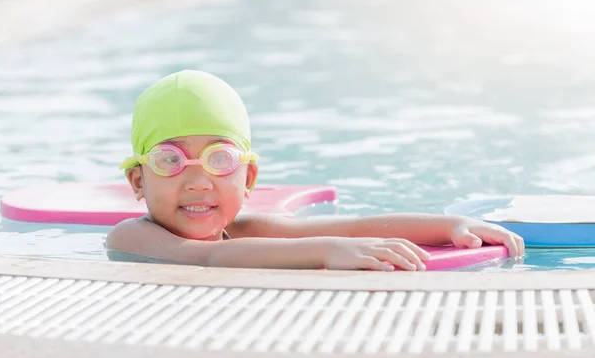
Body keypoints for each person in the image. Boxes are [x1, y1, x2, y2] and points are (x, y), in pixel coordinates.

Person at [105, 70, 525, 271]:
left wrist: (449, 226)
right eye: (169, 161)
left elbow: (354, 227)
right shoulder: (130, 235)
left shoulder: (247, 231)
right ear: (139, 181)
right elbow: (210, 257)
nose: (198, 181)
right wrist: (326, 251)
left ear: (248, 179)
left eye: (219, 160)